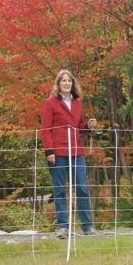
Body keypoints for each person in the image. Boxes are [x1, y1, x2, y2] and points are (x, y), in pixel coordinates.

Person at [40, 69, 97, 239]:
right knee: (60, 190)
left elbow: (79, 127)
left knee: (82, 188)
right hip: (58, 153)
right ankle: (63, 227)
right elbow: (45, 129)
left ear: (73, 84)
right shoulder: (50, 103)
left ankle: (87, 226)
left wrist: (88, 126)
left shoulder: (77, 103)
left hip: (77, 151)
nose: (67, 83)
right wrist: (49, 151)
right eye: (63, 81)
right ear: (58, 84)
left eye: (69, 81)